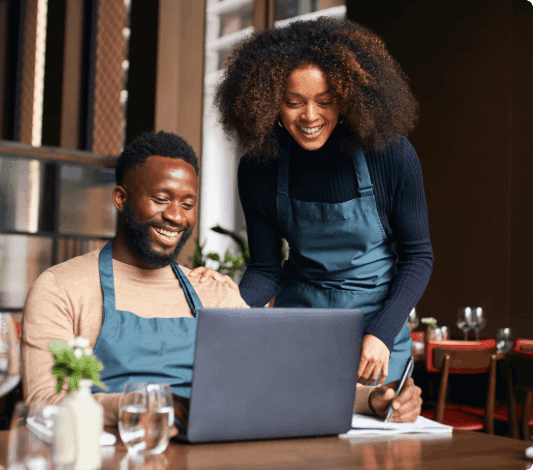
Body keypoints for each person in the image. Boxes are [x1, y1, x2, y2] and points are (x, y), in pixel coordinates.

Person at [22, 130, 422, 430]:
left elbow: (279, 381)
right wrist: (148, 407)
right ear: (122, 198)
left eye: (188, 203)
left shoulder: (211, 291)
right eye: (161, 199)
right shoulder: (62, 288)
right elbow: (42, 404)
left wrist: (374, 400)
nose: (176, 216)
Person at [191, 18, 433, 387]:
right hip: (300, 322)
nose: (309, 116)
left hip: (376, 327)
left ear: (349, 100)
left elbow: (418, 256)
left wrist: (383, 334)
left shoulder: (391, 155)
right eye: (293, 102)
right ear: (270, 102)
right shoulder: (260, 168)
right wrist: (229, 306)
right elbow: (266, 270)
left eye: (326, 101)